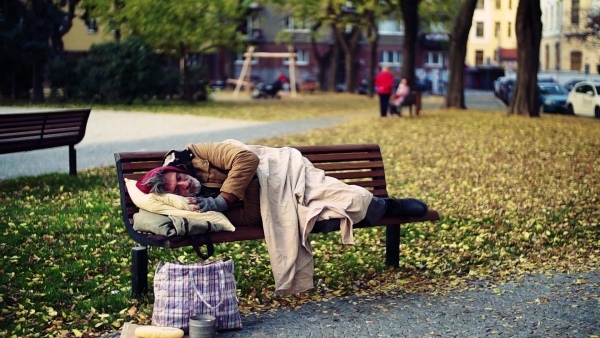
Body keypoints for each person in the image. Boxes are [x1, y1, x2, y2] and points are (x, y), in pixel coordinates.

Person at [134, 140, 429, 295]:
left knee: (353, 200)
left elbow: (247, 159)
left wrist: (223, 200)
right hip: (269, 200)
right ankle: (375, 207)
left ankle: (386, 205)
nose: (185, 186)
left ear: (178, 169)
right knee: (324, 214)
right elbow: (250, 216)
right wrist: (237, 193)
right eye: (178, 190)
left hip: (282, 169)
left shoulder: (198, 151)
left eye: (180, 179)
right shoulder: (197, 204)